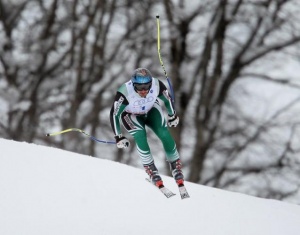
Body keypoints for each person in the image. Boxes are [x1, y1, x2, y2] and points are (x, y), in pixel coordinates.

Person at [110, 68, 185, 188]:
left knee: (164, 132)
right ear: (134, 85)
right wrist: (118, 136)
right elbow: (115, 114)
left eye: (147, 86)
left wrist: (172, 115)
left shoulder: (156, 84)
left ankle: (176, 164)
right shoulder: (125, 92)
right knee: (140, 135)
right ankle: (151, 169)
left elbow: (167, 99)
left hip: (151, 111)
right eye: (140, 87)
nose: (144, 90)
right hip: (131, 115)